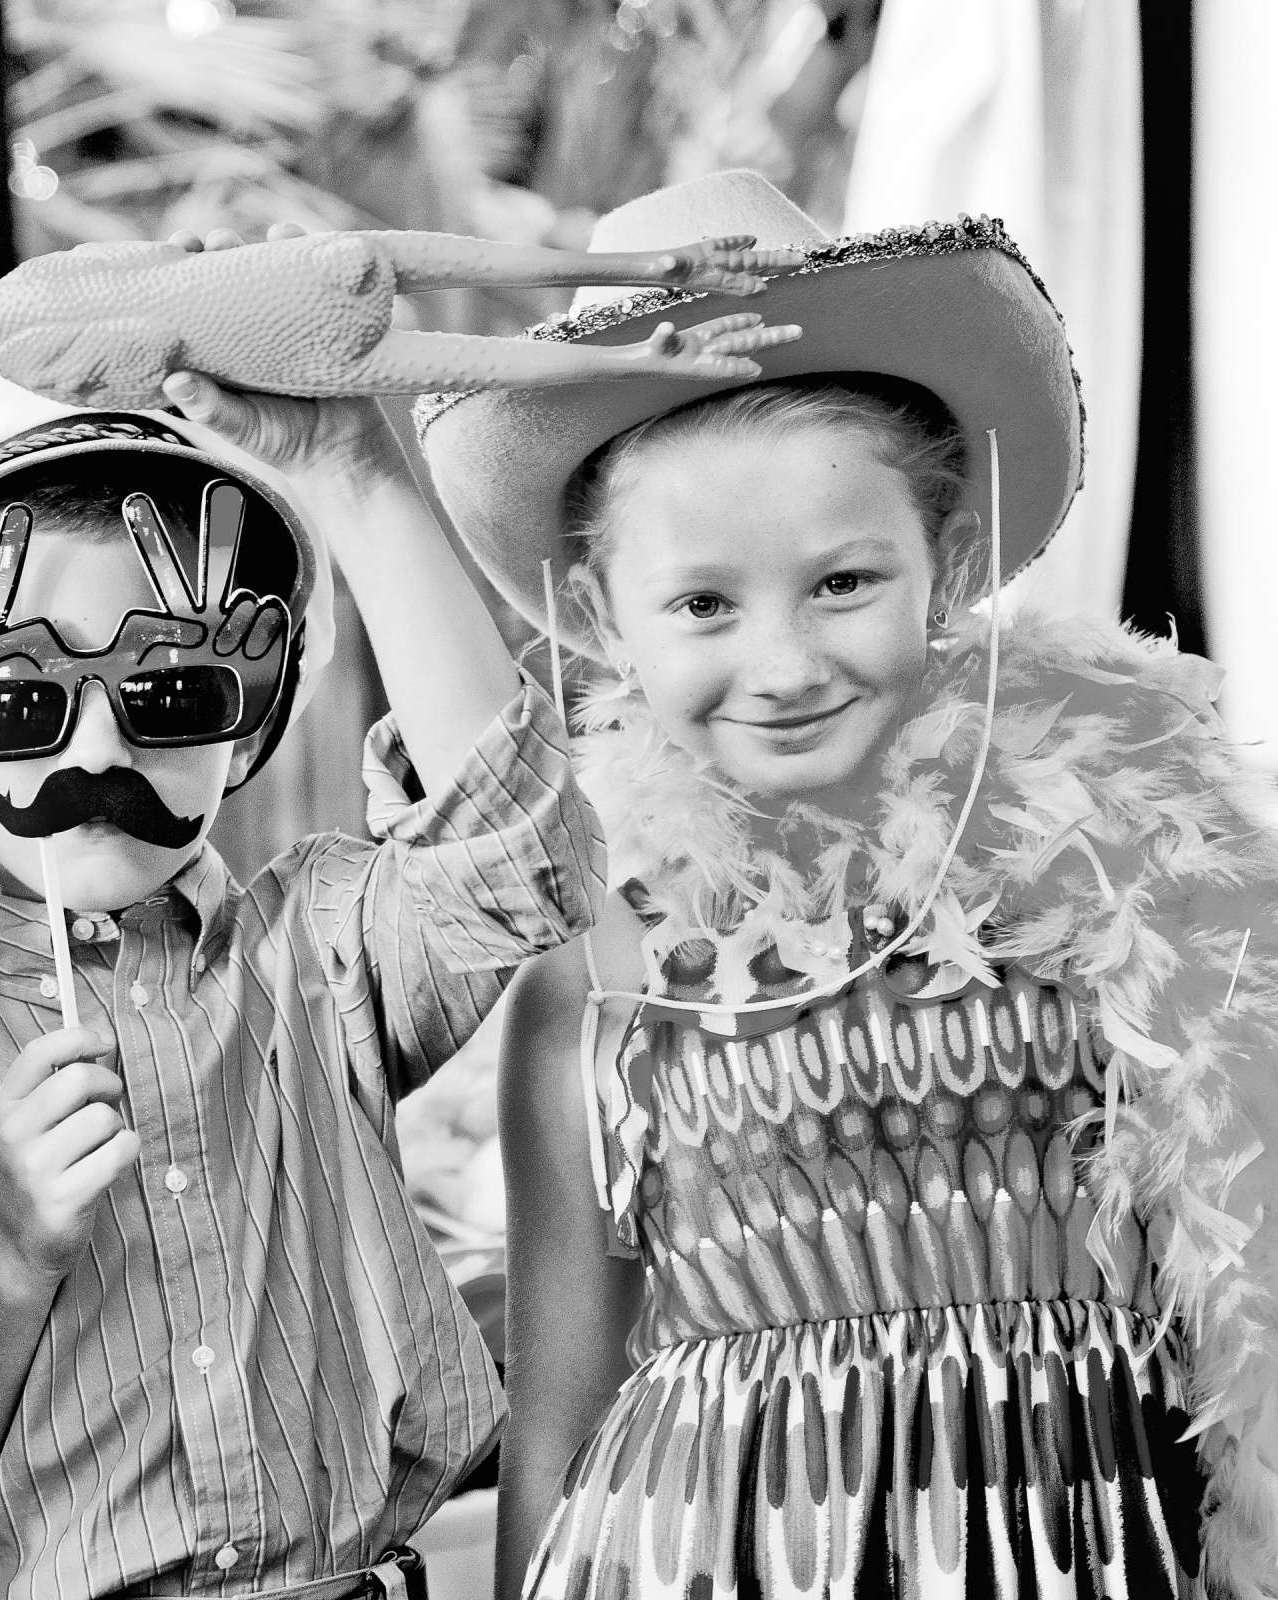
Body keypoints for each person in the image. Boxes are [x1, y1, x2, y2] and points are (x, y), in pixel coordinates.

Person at [0, 219, 799, 1595]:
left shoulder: (320, 954)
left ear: (253, 714)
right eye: (17, 704)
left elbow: (517, 852)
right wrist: (10, 1260)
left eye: (171, 696)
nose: (95, 761)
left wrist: (349, 470)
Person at [416, 170, 1278, 1600]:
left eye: (842, 583)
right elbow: (556, 1419)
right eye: (704, 602)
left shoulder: (1118, 868)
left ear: (943, 563)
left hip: (1091, 1543)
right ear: (596, 615)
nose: (787, 663)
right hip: (714, 1550)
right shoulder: (595, 972)